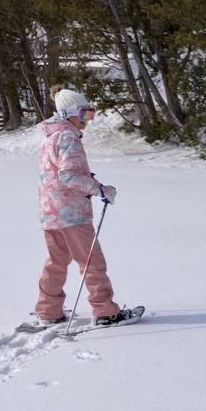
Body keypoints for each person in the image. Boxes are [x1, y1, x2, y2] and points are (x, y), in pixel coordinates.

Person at [32, 87, 127, 327]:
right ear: (68, 114)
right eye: (84, 115)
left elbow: (56, 175)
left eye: (91, 115)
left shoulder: (50, 136)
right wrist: (99, 188)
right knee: (91, 261)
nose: (88, 121)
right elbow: (69, 176)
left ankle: (48, 310)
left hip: (51, 212)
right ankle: (105, 311)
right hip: (72, 213)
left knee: (57, 260)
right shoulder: (68, 137)